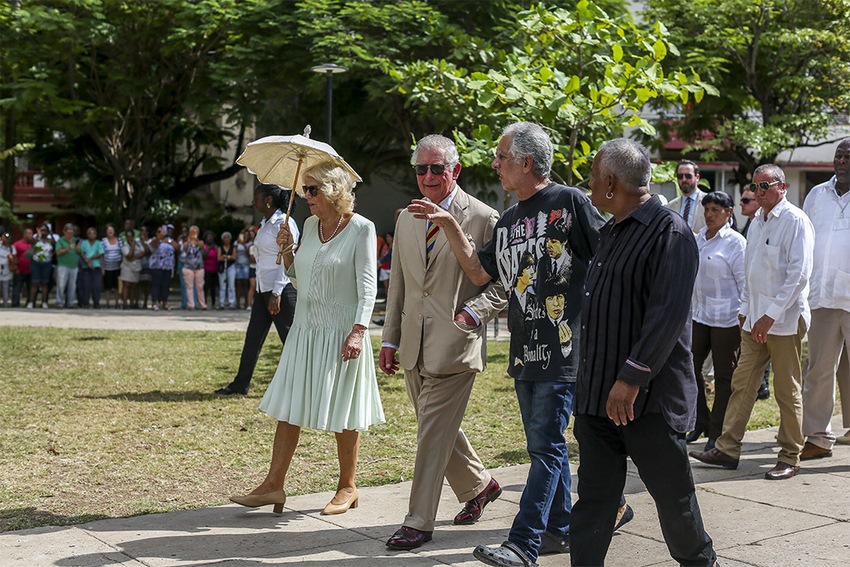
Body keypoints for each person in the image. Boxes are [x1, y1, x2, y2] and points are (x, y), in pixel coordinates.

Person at [410, 123, 609, 567]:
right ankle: (560, 529)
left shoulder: (569, 201)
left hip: (563, 349)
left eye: (501, 157)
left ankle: (523, 543)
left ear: (525, 161)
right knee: (547, 447)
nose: (495, 163)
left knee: (545, 448)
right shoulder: (511, 218)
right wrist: (447, 223)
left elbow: (607, 258)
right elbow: (481, 274)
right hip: (525, 354)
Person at [567, 138, 716, 566]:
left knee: (675, 503)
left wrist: (630, 379)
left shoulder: (670, 233)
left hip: (646, 403)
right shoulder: (610, 231)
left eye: (593, 181)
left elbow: (666, 317)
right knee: (594, 501)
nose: (591, 188)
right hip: (598, 400)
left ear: (611, 183)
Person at [229, 162, 384, 516]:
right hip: (306, 328)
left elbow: (367, 286)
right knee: (289, 405)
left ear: (333, 191)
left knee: (344, 409)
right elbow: (299, 277)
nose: (306, 197)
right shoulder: (311, 226)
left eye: (312, 190)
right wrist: (286, 250)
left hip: (343, 329)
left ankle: (347, 486)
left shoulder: (361, 228)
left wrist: (359, 330)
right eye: (304, 191)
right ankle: (273, 485)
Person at [380, 135, 506, 551]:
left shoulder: (485, 217)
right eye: (421, 169)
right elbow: (399, 283)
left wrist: (474, 316)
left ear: (456, 170)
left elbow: (502, 284)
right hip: (413, 345)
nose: (429, 176)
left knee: (431, 435)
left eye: (437, 168)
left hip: (456, 346)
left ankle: (418, 521)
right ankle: (479, 485)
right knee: (437, 428)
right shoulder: (406, 217)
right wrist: (390, 340)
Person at [691, 164, 814, 481]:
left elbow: (798, 276)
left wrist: (770, 314)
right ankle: (727, 448)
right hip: (754, 321)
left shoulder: (795, 221)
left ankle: (790, 455)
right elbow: (750, 273)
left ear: (782, 187)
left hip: (783, 321)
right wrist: (746, 310)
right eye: (755, 187)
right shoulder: (756, 222)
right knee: (741, 383)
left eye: (765, 186)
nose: (758, 192)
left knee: (786, 390)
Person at [215, 184, 299, 396]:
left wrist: (277, 292)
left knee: (291, 340)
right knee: (253, 339)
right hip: (264, 290)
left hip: (280, 292)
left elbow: (288, 261)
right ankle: (240, 385)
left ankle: (303, 386)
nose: (253, 201)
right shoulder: (265, 224)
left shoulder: (284, 223)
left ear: (268, 199)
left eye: (256, 196)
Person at [800, 138, 850, 458]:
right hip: (822, 296)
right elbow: (805, 244)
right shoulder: (816, 195)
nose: (842, 160)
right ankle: (817, 437)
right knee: (818, 369)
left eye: (848, 156)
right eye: (838, 155)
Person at [686, 191, 746, 451]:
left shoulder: (735, 243)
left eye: (716, 210)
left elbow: (745, 284)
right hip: (699, 315)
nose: (709, 215)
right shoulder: (699, 238)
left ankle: (716, 431)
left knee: (724, 377)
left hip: (727, 319)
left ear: (729, 213)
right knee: (689, 367)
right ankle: (700, 420)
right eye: (707, 209)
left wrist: (745, 315)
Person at [739, 188, 772, 399]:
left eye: (745, 200)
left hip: (772, 306)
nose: (742, 203)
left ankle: (763, 386)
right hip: (750, 302)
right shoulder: (752, 224)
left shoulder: (775, 223)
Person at [667, 159, 706, 234]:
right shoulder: (670, 206)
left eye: (688, 176)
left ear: (697, 177)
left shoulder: (708, 202)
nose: (684, 179)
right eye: (680, 176)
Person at [148, 225, 179, 311]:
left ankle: (164, 302)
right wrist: (159, 238)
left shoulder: (169, 240)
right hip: (156, 266)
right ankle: (154, 302)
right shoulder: (153, 240)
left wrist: (168, 241)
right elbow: (152, 246)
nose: (161, 233)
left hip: (168, 267)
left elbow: (177, 247)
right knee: (155, 285)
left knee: (166, 285)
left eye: (162, 231)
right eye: (159, 231)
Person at [26, 223, 55, 309]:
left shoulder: (50, 241)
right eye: (42, 230)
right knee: (34, 282)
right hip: (36, 263)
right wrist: (38, 234)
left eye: (45, 230)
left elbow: (54, 245)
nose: (43, 232)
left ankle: (44, 302)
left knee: (45, 283)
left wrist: (51, 234)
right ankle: (31, 302)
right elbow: (31, 241)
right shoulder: (36, 240)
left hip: (47, 263)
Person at [180, 225, 207, 310]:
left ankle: (203, 304)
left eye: (195, 232)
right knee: (189, 287)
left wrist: (196, 240)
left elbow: (203, 248)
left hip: (199, 267)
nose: (193, 234)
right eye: (192, 232)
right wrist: (189, 240)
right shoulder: (186, 243)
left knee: (200, 286)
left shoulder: (200, 242)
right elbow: (183, 249)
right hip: (188, 267)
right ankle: (191, 305)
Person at [54, 223, 80, 309]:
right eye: (69, 233)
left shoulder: (76, 240)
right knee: (61, 284)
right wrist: (68, 248)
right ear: (64, 232)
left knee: (72, 285)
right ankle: (59, 302)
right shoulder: (60, 241)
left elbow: (80, 252)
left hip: (74, 265)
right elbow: (58, 252)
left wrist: (78, 248)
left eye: (72, 233)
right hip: (63, 266)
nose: (70, 234)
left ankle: (70, 303)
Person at [79, 227, 105, 309]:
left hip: (96, 267)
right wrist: (87, 261)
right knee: (86, 285)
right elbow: (81, 253)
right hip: (85, 267)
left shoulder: (99, 243)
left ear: (96, 235)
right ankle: (85, 302)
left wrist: (91, 259)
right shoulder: (84, 243)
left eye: (93, 233)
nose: (92, 235)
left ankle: (96, 302)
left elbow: (101, 254)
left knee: (97, 286)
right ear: (87, 235)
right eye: (90, 233)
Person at [120, 227, 145, 308]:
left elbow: (143, 252)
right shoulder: (124, 245)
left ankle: (132, 302)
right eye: (128, 236)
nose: (129, 238)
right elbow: (129, 256)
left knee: (134, 285)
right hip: (127, 267)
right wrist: (133, 246)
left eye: (131, 236)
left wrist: (135, 256)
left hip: (136, 267)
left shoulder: (138, 243)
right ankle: (125, 303)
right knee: (126, 284)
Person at [101, 224, 123, 308]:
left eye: (111, 230)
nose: (110, 232)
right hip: (107, 267)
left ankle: (117, 303)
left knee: (117, 286)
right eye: (108, 230)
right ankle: (107, 303)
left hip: (117, 267)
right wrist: (102, 267)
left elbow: (122, 252)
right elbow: (102, 255)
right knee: (108, 286)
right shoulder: (103, 241)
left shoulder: (119, 240)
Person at [11, 228, 33, 307]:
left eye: (32, 234)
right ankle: (15, 304)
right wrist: (15, 267)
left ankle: (29, 304)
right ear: (24, 234)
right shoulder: (17, 244)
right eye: (29, 234)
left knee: (30, 288)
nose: (31, 236)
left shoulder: (32, 245)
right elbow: (13, 256)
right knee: (17, 288)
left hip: (30, 270)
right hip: (19, 270)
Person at [218, 231, 237, 309]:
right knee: (222, 286)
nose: (226, 239)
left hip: (231, 267)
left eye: (228, 238)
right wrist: (229, 257)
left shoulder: (233, 247)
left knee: (231, 285)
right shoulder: (220, 248)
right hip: (222, 268)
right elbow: (219, 258)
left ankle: (231, 302)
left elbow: (234, 257)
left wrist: (226, 257)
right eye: (225, 238)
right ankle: (221, 303)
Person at [234, 229, 251, 309]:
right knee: (238, 285)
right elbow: (234, 253)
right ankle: (237, 303)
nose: (244, 237)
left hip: (246, 265)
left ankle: (246, 303)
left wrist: (243, 244)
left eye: (246, 235)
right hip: (238, 265)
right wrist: (237, 244)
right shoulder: (236, 243)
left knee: (246, 285)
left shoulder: (250, 244)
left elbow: (248, 253)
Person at [202, 231, 219, 309]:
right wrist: (209, 249)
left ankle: (213, 303)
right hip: (206, 269)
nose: (210, 238)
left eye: (211, 237)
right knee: (206, 287)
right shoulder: (204, 246)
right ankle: (204, 303)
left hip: (214, 270)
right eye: (208, 237)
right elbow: (204, 256)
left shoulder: (216, 247)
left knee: (213, 288)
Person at [137, 226, 152, 309]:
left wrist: (144, 242)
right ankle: (137, 302)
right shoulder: (136, 241)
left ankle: (145, 302)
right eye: (140, 230)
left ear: (147, 232)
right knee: (138, 284)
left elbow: (148, 251)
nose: (141, 232)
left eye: (143, 230)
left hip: (147, 265)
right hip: (138, 265)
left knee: (146, 284)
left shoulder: (150, 241)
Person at [0, 230, 15, 306]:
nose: (6, 239)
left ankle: (5, 304)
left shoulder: (12, 248)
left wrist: (11, 259)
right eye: (4, 237)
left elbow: (15, 259)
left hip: (6, 269)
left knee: (5, 287)